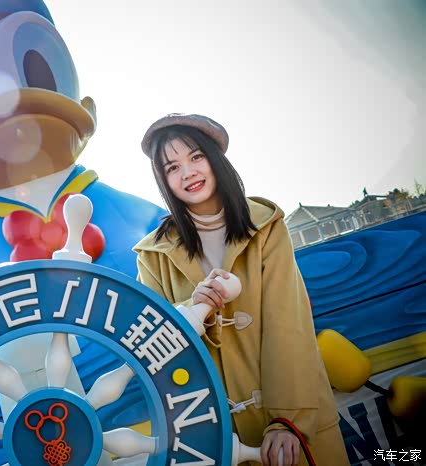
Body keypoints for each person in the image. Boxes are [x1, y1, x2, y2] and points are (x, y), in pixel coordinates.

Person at [134, 114, 349, 466]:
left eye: (196, 157)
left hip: (296, 426)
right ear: (163, 180)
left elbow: (288, 324)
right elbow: (155, 348)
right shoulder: (152, 255)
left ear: (214, 158)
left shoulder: (266, 225)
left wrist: (287, 420)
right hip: (220, 442)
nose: (187, 172)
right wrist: (192, 307)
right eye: (172, 167)